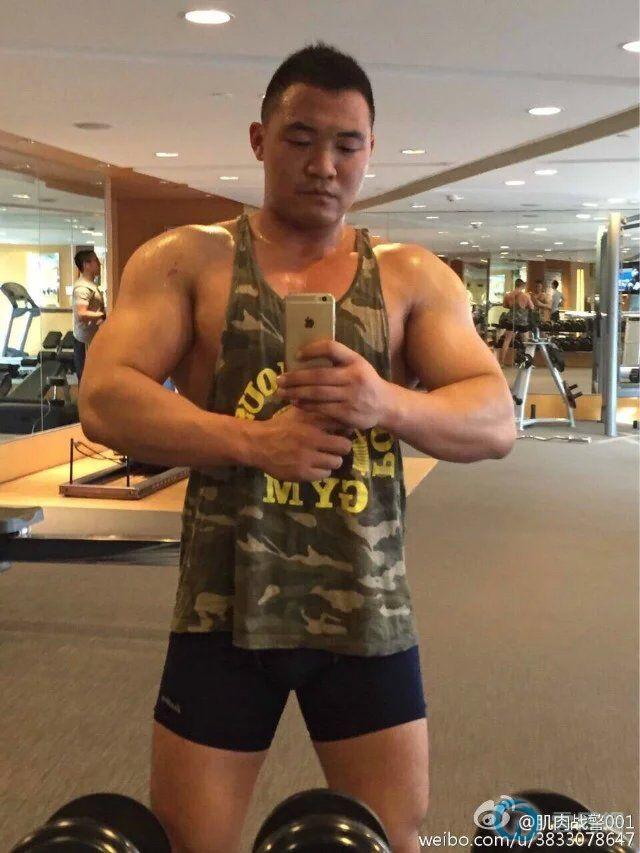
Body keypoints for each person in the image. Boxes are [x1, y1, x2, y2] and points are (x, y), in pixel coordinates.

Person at [79, 43, 516, 853]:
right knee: (192, 840)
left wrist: (384, 400)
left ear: (371, 149)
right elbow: (104, 396)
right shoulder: (190, 260)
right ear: (259, 140)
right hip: (223, 610)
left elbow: (496, 421)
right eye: (301, 139)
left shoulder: (410, 276)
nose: (324, 165)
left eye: (347, 144)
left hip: (365, 612)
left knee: (386, 837)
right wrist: (254, 440)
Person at [72, 249, 105, 384]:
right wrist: (103, 315)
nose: (99, 264)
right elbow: (81, 314)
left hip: (91, 338)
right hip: (84, 340)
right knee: (87, 380)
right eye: (96, 261)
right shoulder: (82, 288)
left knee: (93, 378)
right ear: (86, 265)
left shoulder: (91, 285)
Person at [498, 278, 535, 366]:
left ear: (515, 284)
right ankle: (528, 361)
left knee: (507, 341)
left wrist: (513, 307)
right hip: (522, 321)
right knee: (526, 342)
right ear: (522, 285)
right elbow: (532, 307)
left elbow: (504, 305)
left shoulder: (508, 295)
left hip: (512, 320)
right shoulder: (526, 295)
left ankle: (501, 362)